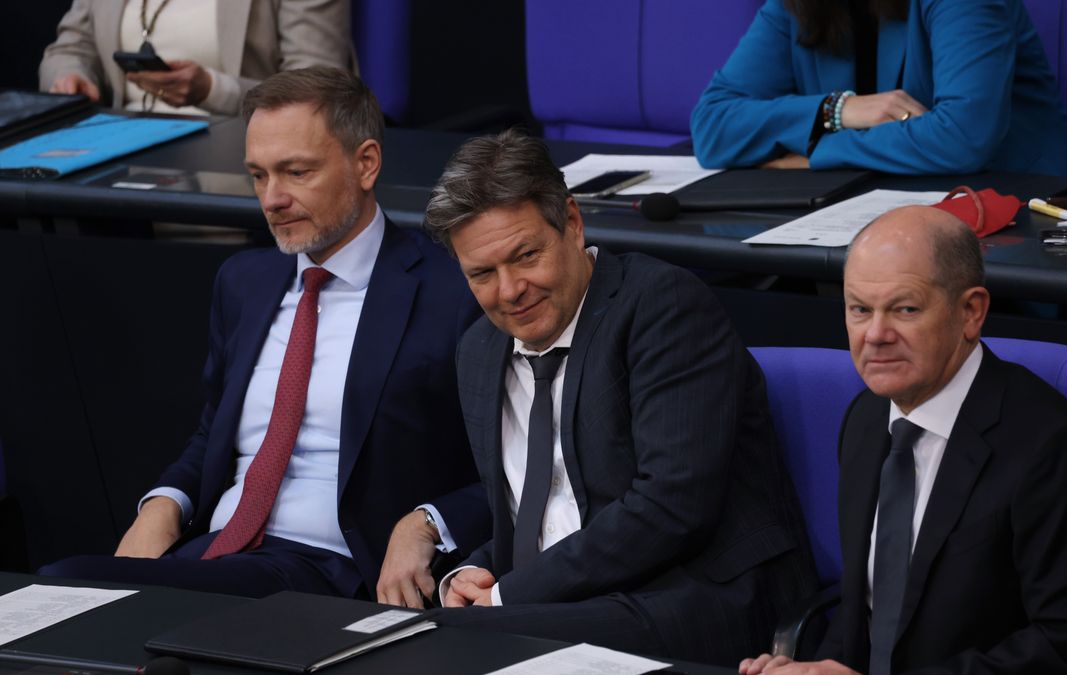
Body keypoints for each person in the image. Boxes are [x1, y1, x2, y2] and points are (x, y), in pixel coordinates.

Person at [39, 67, 489, 607]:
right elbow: (214, 435)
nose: (272, 199)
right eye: (258, 176)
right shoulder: (244, 281)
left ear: (366, 163)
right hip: (216, 555)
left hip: (333, 571)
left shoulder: (453, 291)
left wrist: (425, 525)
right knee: (53, 603)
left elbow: (518, 466)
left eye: (296, 172)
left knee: (63, 587)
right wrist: (163, 506)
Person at [418, 129, 819, 666]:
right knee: (412, 633)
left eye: (526, 256)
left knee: (443, 643)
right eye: (483, 274)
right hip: (568, 601)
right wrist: (477, 572)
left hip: (691, 598)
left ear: (573, 222)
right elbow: (536, 512)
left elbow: (671, 507)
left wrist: (506, 598)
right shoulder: (479, 350)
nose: (510, 290)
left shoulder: (662, 307)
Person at [740, 206, 1067, 675]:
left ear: (971, 311)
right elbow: (867, 609)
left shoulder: (1051, 450)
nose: (876, 336)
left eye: (905, 309)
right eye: (859, 310)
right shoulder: (866, 418)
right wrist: (815, 667)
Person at [690, 0, 1067, 176]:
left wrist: (812, 157)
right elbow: (712, 127)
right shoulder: (794, 6)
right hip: (878, 216)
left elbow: (962, 136)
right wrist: (837, 111)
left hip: (1020, 218)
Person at [39, 0, 354, 115]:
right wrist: (70, 77)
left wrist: (211, 90)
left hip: (238, 157)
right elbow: (70, 47)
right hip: (118, 155)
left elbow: (318, 89)